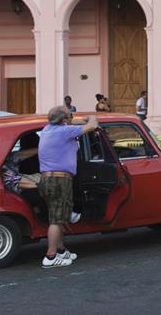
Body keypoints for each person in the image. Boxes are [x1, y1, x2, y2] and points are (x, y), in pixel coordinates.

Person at [38, 106, 97, 269]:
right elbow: (92, 126)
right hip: (59, 180)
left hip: (48, 179)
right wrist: (91, 117)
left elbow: (70, 122)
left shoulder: (47, 129)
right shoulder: (65, 132)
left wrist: (75, 119)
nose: (72, 117)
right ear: (64, 120)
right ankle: (50, 257)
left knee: (61, 215)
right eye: (70, 115)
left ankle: (61, 250)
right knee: (57, 220)